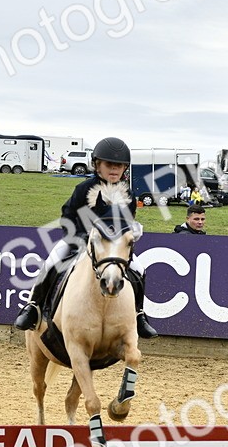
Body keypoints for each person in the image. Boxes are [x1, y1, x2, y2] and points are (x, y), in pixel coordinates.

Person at [13, 137, 158, 338]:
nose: (114, 169)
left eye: (119, 165)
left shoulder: (129, 195)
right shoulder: (83, 189)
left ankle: (139, 314)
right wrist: (81, 237)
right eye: (109, 165)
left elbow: (126, 223)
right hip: (78, 241)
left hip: (111, 250)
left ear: (125, 168)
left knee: (139, 269)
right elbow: (67, 215)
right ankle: (33, 306)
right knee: (51, 261)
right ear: (97, 165)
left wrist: (133, 231)